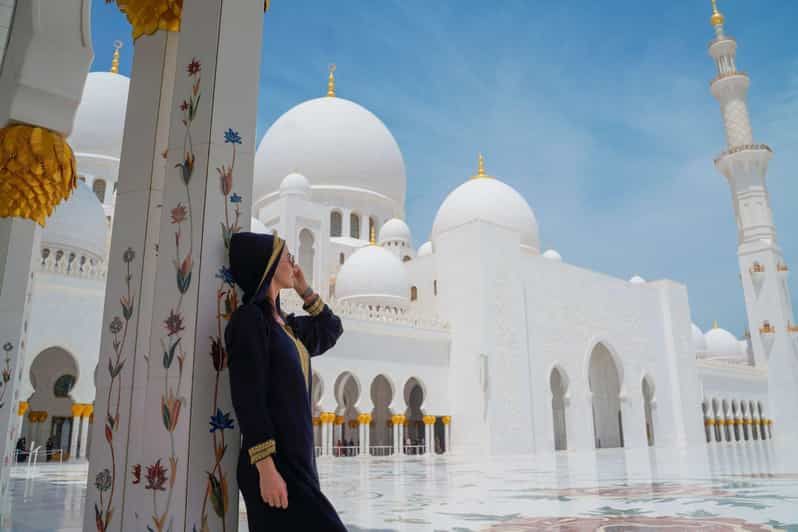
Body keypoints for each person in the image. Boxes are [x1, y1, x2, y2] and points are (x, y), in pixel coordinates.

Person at [226, 232, 347, 531]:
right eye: (286, 256)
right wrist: (266, 468)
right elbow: (248, 396)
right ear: (266, 264)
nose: (293, 263)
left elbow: (331, 329)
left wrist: (304, 289)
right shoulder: (250, 321)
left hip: (298, 465)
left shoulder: (288, 328)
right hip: (274, 465)